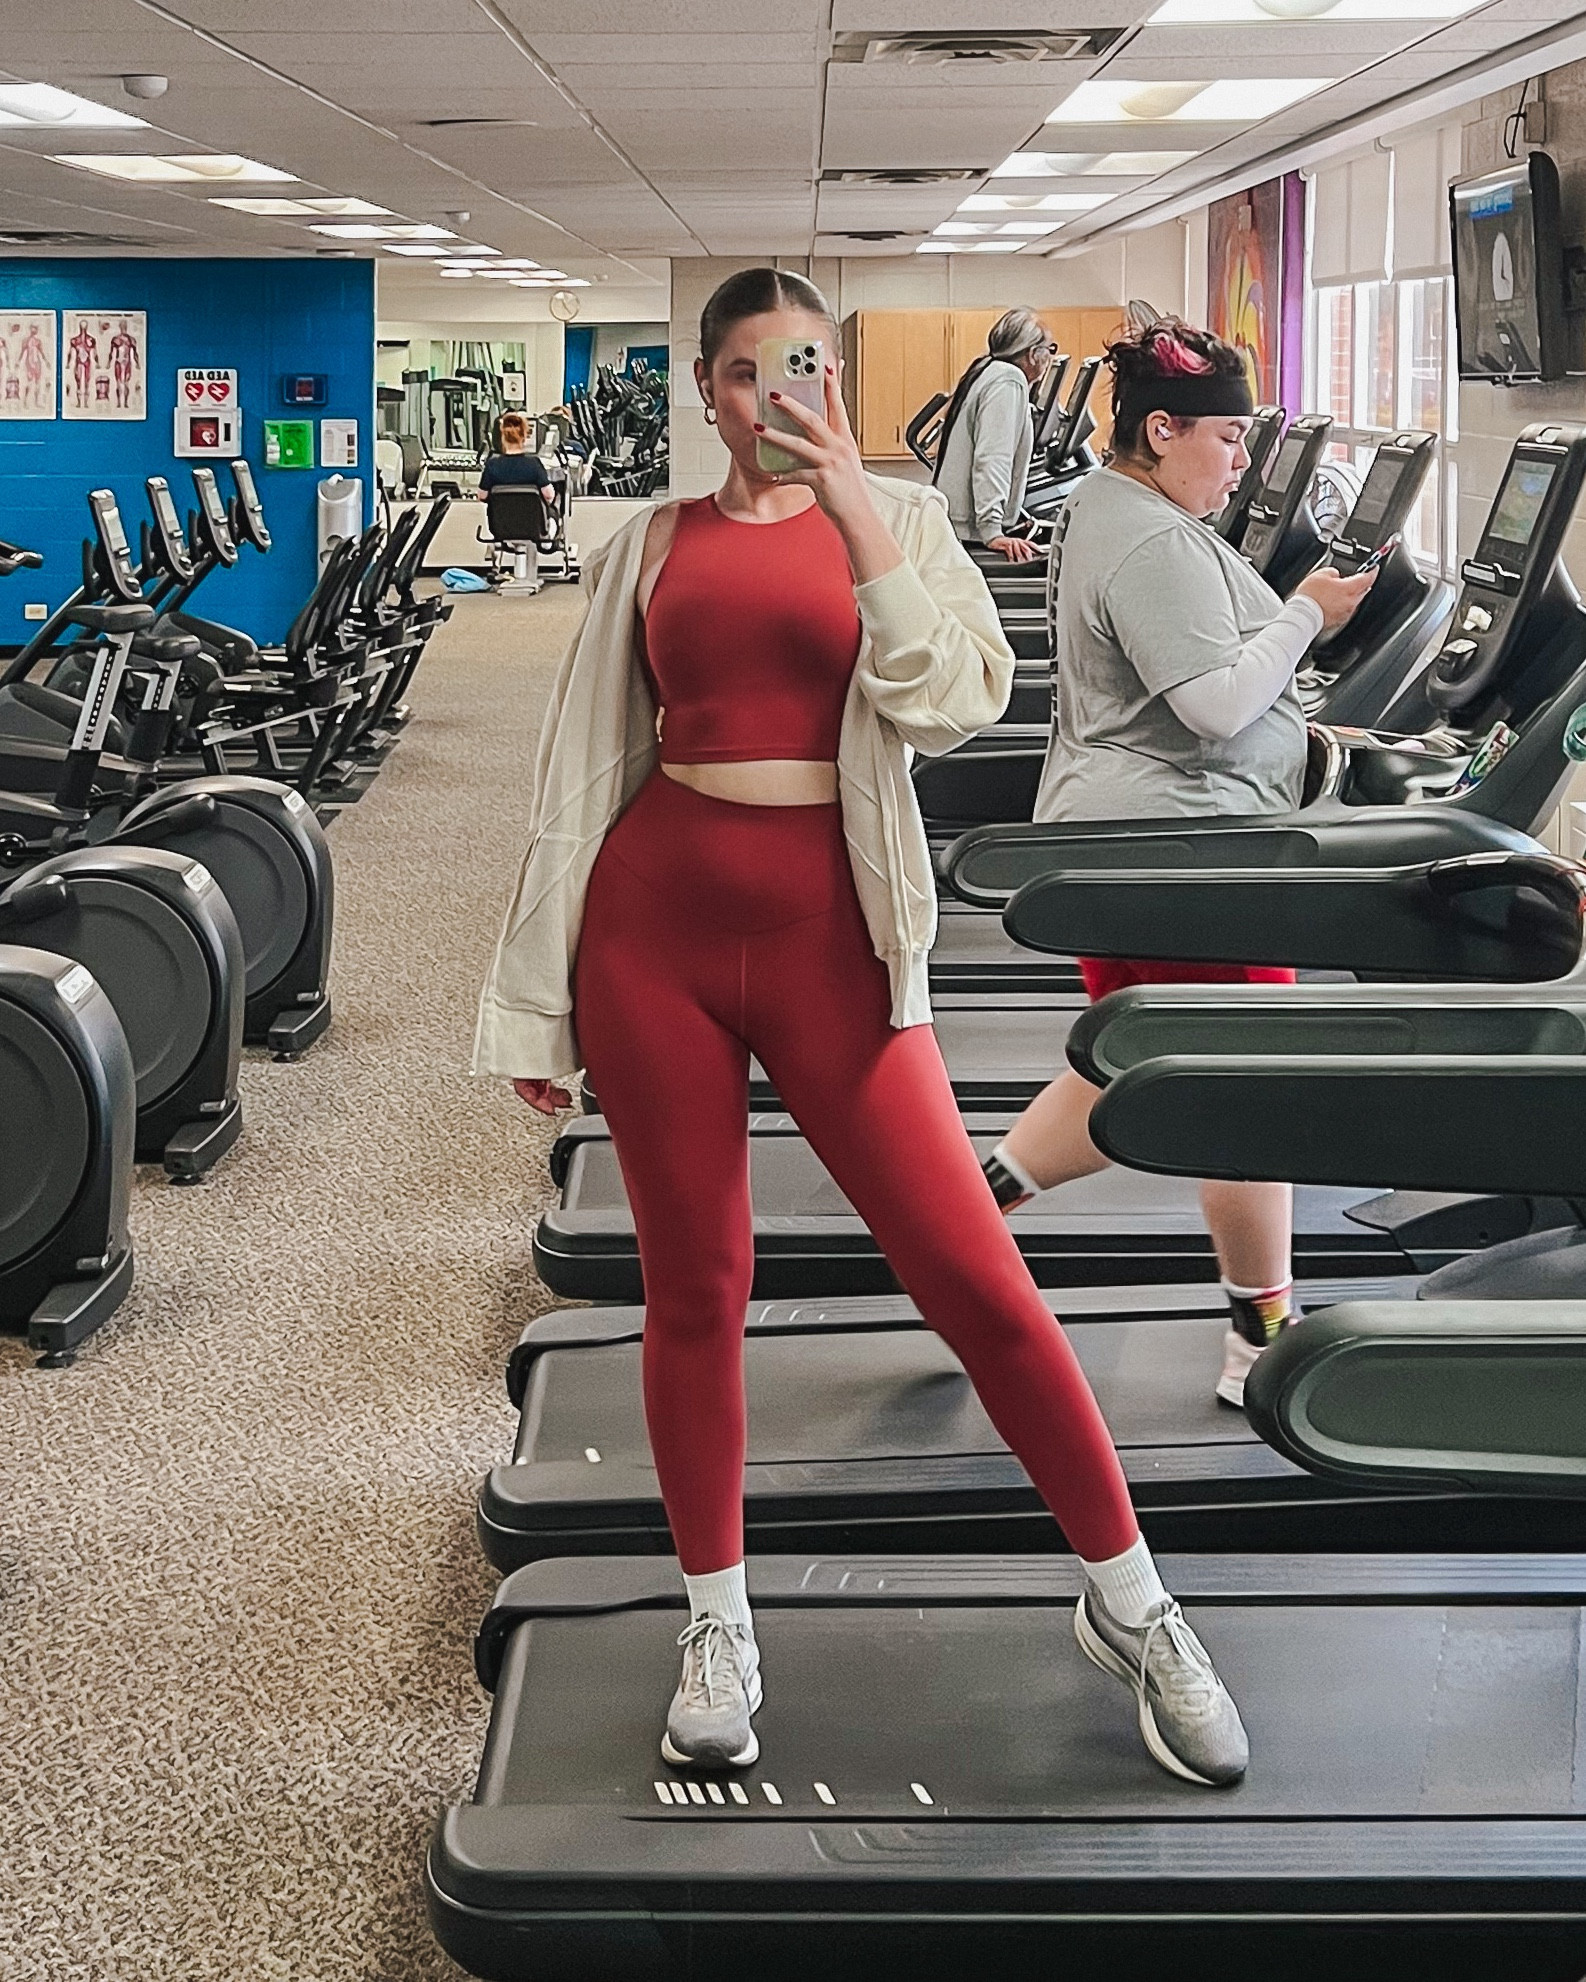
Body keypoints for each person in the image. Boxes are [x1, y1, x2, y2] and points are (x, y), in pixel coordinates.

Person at [477, 269, 1249, 1790]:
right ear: (708, 391)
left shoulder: (896, 521)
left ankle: (1133, 1599)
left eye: (809, 367)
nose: (784, 395)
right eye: (751, 371)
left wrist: (852, 514)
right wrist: (538, 994)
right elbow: (581, 775)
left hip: (833, 941)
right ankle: (716, 1622)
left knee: (973, 1273)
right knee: (695, 1286)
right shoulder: (648, 545)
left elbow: (953, 698)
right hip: (652, 938)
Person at [981, 319, 1376, 1410]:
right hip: (1182, 859)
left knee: (1135, 1066)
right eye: (1228, 437)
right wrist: (1305, 614)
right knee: (1246, 1087)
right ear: (1161, 430)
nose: (1240, 460)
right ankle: (1260, 1339)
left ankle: (960, 1215)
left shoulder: (1122, 508)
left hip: (1145, 848)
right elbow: (1212, 706)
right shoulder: (1148, 539)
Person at [933, 306, 1056, 564]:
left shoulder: (988, 370)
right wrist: (992, 531)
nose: (1050, 358)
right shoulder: (1008, 381)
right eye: (1049, 349)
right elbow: (993, 457)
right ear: (1033, 354)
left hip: (959, 522)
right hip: (971, 531)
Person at [479, 412, 556, 503]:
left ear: (502, 437)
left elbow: (482, 495)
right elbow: (549, 494)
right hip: (530, 512)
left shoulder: (492, 465)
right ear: (524, 437)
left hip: (500, 512)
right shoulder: (534, 464)